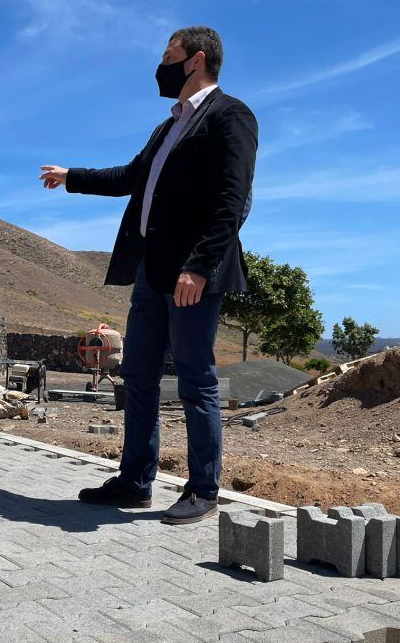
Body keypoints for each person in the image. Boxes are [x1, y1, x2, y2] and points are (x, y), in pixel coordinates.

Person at [39, 26, 257, 525]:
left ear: (196, 60)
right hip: (151, 273)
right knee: (137, 376)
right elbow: (131, 178)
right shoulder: (167, 127)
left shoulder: (231, 115)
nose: (160, 67)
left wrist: (200, 266)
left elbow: (233, 198)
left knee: (195, 379)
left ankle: (203, 488)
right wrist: (72, 176)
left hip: (191, 276)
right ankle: (135, 481)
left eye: (168, 57)